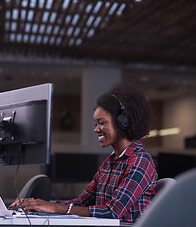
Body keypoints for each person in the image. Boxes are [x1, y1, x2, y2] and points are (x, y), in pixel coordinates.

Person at [10, 82, 158, 223]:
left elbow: (112, 212)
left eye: (101, 122)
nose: (96, 129)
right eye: (95, 124)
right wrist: (40, 205)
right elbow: (81, 201)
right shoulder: (110, 162)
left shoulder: (140, 161)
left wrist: (56, 208)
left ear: (123, 121)